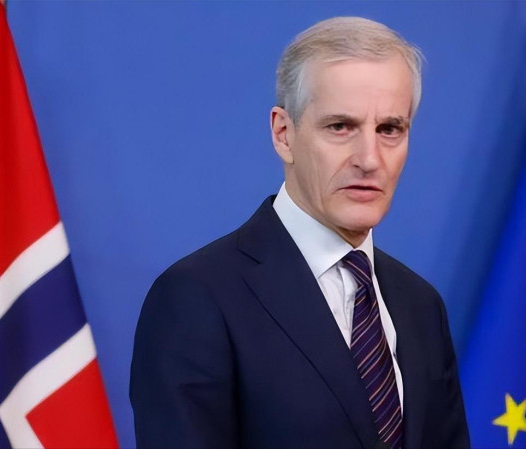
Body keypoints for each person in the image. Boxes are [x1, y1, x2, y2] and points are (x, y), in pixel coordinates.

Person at [130, 16, 470, 449]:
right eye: (340, 127)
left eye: (389, 129)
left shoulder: (421, 305)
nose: (369, 159)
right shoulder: (197, 298)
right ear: (283, 134)